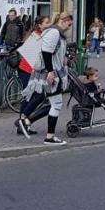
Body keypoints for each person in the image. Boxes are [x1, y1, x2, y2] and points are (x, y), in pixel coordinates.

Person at [16, 12, 73, 145]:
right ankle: (48, 136)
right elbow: (46, 53)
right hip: (50, 75)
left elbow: (52, 52)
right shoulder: (54, 33)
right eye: (69, 24)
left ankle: (27, 122)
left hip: (52, 73)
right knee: (55, 104)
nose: (69, 27)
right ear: (64, 21)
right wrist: (51, 72)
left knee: (54, 104)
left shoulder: (56, 33)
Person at [13, 16, 52, 136]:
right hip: (27, 70)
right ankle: (23, 121)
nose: (49, 24)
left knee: (29, 97)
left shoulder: (39, 35)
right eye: (46, 22)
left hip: (30, 70)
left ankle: (23, 124)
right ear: (39, 25)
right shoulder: (37, 36)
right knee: (37, 96)